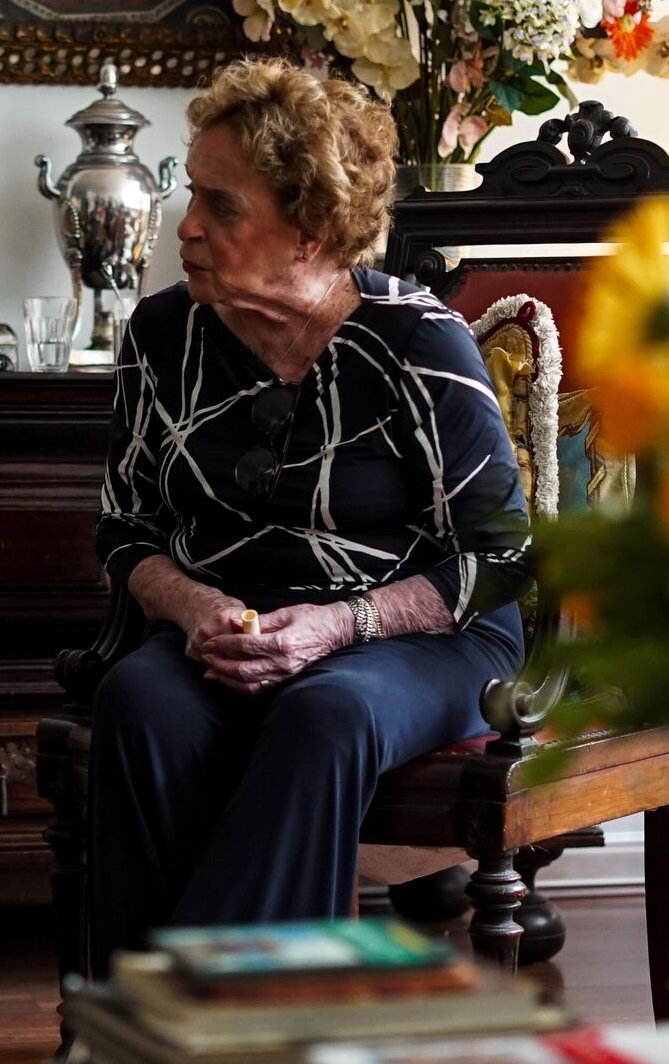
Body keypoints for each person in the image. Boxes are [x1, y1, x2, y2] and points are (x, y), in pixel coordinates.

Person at [89, 59, 532, 975]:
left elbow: (501, 560)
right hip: (231, 627)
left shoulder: (417, 343)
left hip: (424, 634)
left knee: (327, 713)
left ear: (312, 228)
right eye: (192, 195)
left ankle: (168, 1016)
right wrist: (189, 606)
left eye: (223, 204)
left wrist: (337, 625)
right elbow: (124, 524)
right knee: (139, 699)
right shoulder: (162, 335)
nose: (190, 226)